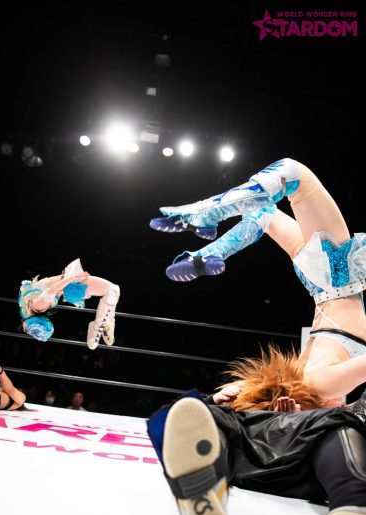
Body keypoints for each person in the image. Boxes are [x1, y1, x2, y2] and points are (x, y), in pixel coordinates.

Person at [150, 158, 366, 411]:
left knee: (293, 175)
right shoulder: (307, 378)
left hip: (335, 275)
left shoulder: (320, 384)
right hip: (322, 282)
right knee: (264, 213)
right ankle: (207, 250)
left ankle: (206, 222)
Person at [147, 392, 366, 515]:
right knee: (207, 419)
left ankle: (209, 486)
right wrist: (214, 400)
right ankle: (354, 500)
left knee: (339, 424)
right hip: (293, 448)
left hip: (271, 445)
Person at [18, 258, 120, 350]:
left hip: (69, 283)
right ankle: (105, 322)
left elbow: (52, 289)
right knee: (112, 290)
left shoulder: (39, 306)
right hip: (66, 284)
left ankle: (98, 328)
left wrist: (73, 276)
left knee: (113, 290)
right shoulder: (26, 313)